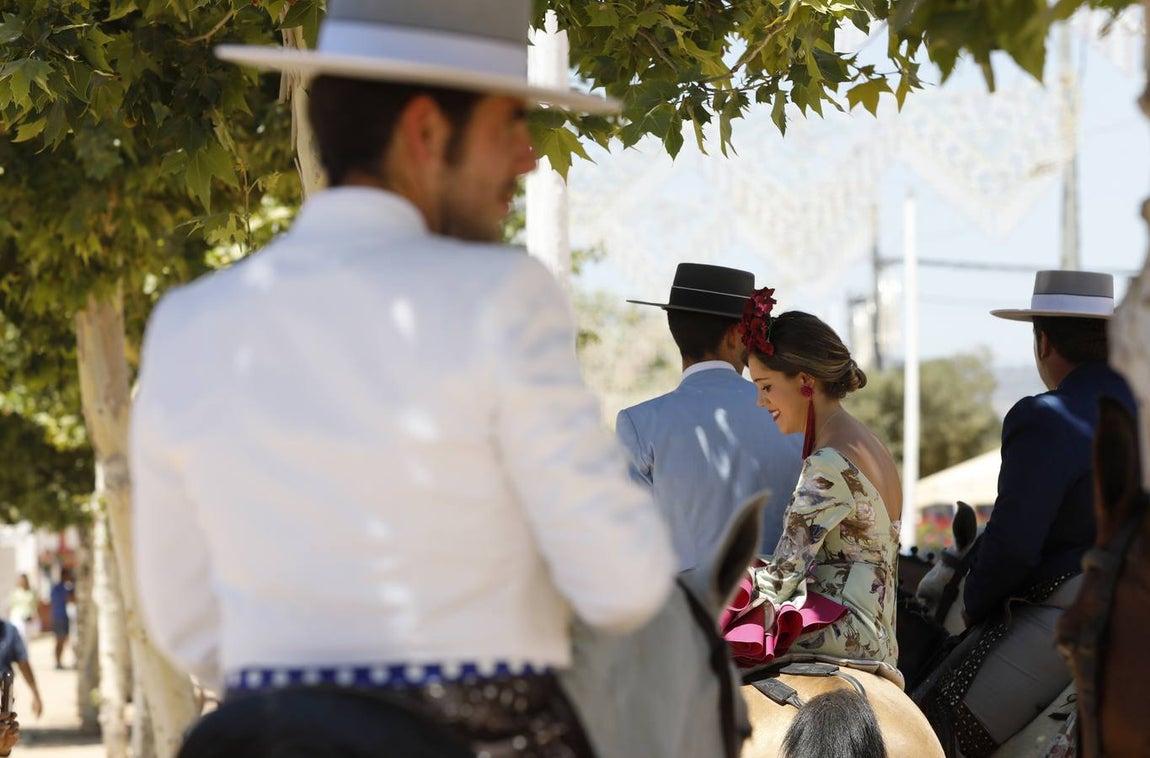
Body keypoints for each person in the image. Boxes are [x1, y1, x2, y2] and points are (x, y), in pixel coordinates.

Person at [131, 2, 675, 756]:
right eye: (507, 125)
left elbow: (187, 623)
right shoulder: (502, 296)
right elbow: (624, 583)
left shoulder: (186, 321)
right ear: (425, 131)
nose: (525, 158)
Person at [914, 270, 1138, 757]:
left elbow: (1013, 546)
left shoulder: (1045, 416)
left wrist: (975, 601)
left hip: (1072, 609)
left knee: (931, 729)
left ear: (1042, 343)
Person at [738, 288, 902, 668]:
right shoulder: (869, 443)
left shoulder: (828, 461)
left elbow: (782, 578)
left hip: (844, 633)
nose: (761, 402)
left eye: (766, 387)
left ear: (805, 381)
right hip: (882, 637)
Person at [618, 263, 803, 569]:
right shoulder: (790, 414)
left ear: (673, 327)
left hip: (688, 612)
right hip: (781, 612)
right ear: (735, 336)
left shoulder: (639, 423)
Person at [48, 571, 72, 670]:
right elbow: (69, 599)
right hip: (59, 617)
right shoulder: (58, 588)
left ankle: (59, 661)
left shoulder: (65, 588)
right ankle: (57, 662)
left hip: (62, 617)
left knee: (62, 641)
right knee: (59, 640)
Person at [6, 576, 36, 643]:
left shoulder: (31, 592)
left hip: (28, 619)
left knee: (26, 639)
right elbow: (10, 605)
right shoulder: (15, 592)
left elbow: (35, 605)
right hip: (17, 618)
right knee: (18, 637)